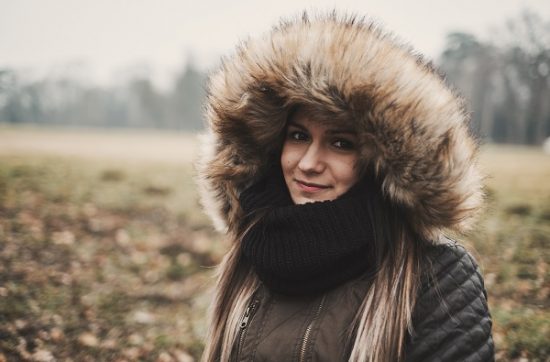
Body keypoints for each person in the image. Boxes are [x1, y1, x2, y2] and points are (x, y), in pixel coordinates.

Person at [196, 12, 494, 362]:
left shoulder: (437, 277)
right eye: (298, 136)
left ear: (383, 163)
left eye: (341, 144)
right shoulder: (253, 248)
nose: (308, 163)